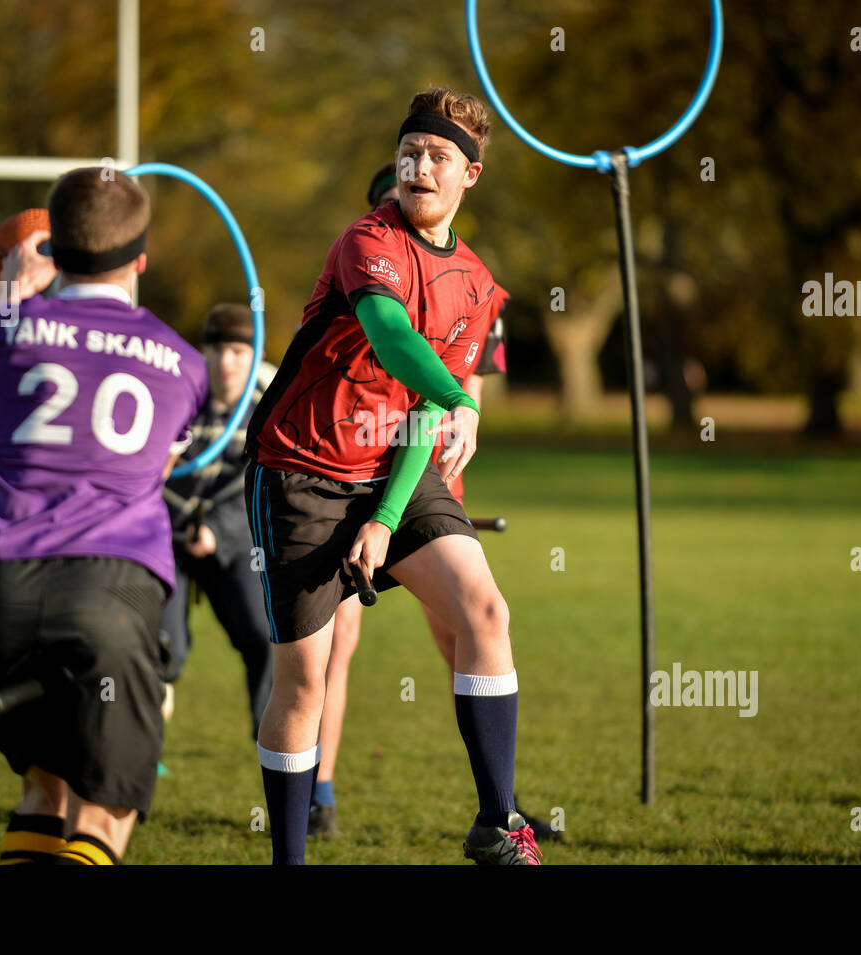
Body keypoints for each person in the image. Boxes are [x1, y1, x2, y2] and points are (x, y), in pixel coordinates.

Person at [246, 87, 540, 865]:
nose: (418, 165)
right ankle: (288, 858)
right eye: (410, 152)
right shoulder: (365, 240)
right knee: (305, 681)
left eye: (438, 155)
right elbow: (390, 335)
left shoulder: (478, 286)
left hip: (389, 466)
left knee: (484, 608)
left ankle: (498, 824)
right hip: (302, 471)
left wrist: (385, 518)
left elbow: (417, 412)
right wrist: (456, 400)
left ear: (469, 176)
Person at [0, 167, 208, 865]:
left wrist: (16, 290)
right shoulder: (181, 362)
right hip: (109, 589)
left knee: (45, 785)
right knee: (106, 808)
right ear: (140, 259)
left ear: (54, 246)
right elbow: (154, 467)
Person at [307, 164, 556, 846]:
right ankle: (316, 793)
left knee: (472, 630)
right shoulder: (364, 261)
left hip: (424, 478)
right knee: (333, 644)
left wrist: (407, 496)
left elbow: (453, 392)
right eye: (389, 202)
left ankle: (500, 800)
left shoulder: (471, 288)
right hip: (340, 468)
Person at [160, 303, 276, 740]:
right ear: (201, 352)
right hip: (166, 541)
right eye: (216, 350)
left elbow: (266, 484)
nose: (225, 362)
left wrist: (217, 530)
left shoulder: (271, 403)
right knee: (160, 650)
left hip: (231, 540)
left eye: (237, 351)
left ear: (254, 356)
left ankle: (275, 751)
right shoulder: (175, 397)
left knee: (266, 638)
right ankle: (137, 756)